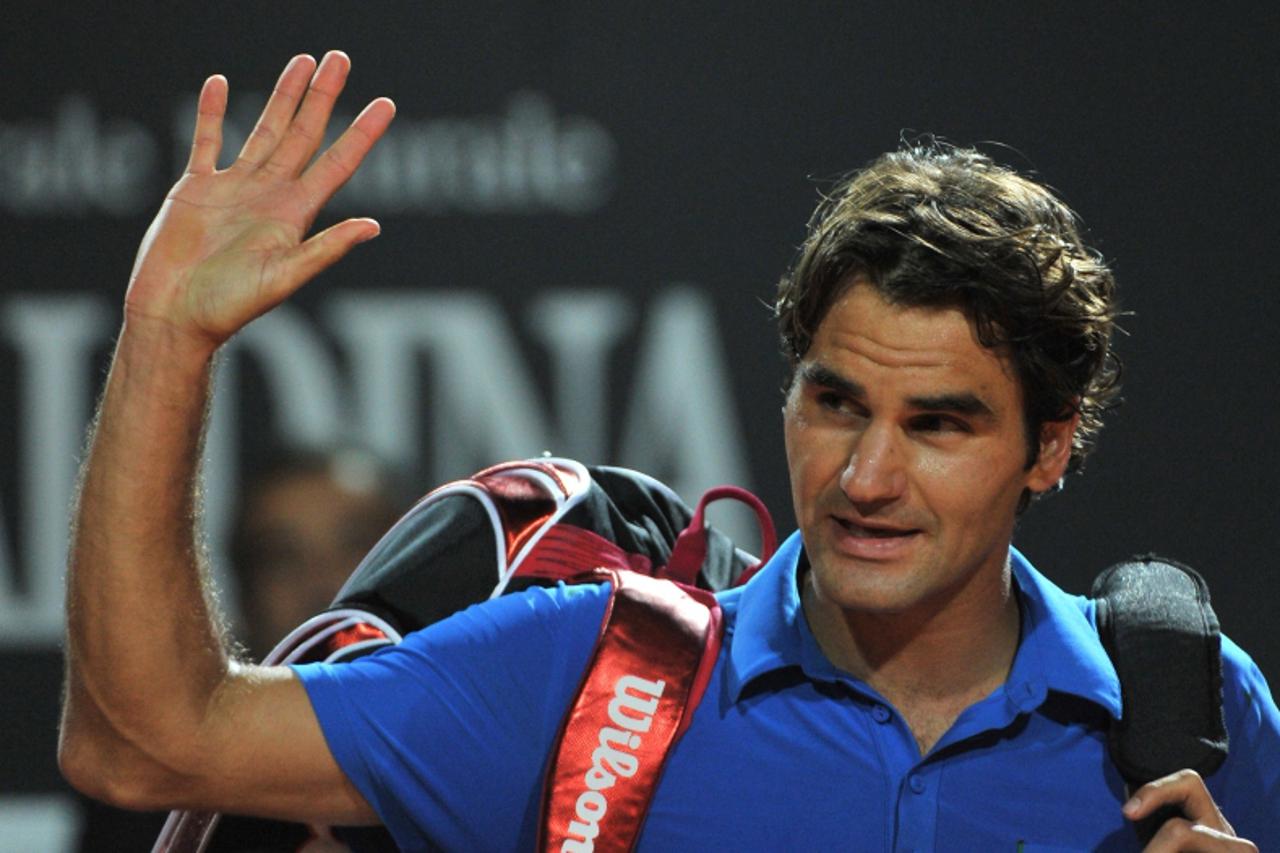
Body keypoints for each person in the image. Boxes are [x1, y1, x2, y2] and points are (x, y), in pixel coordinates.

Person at [58, 51, 1276, 851]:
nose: (863, 477)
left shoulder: (1193, 712)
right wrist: (167, 339)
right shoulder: (590, 676)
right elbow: (144, 740)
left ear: (1048, 448)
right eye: (835, 402)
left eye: (938, 424)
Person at [75, 445, 402, 852]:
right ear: (242, 596)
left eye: (358, 546)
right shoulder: (159, 785)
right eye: (282, 557)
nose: (322, 582)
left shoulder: (486, 760)